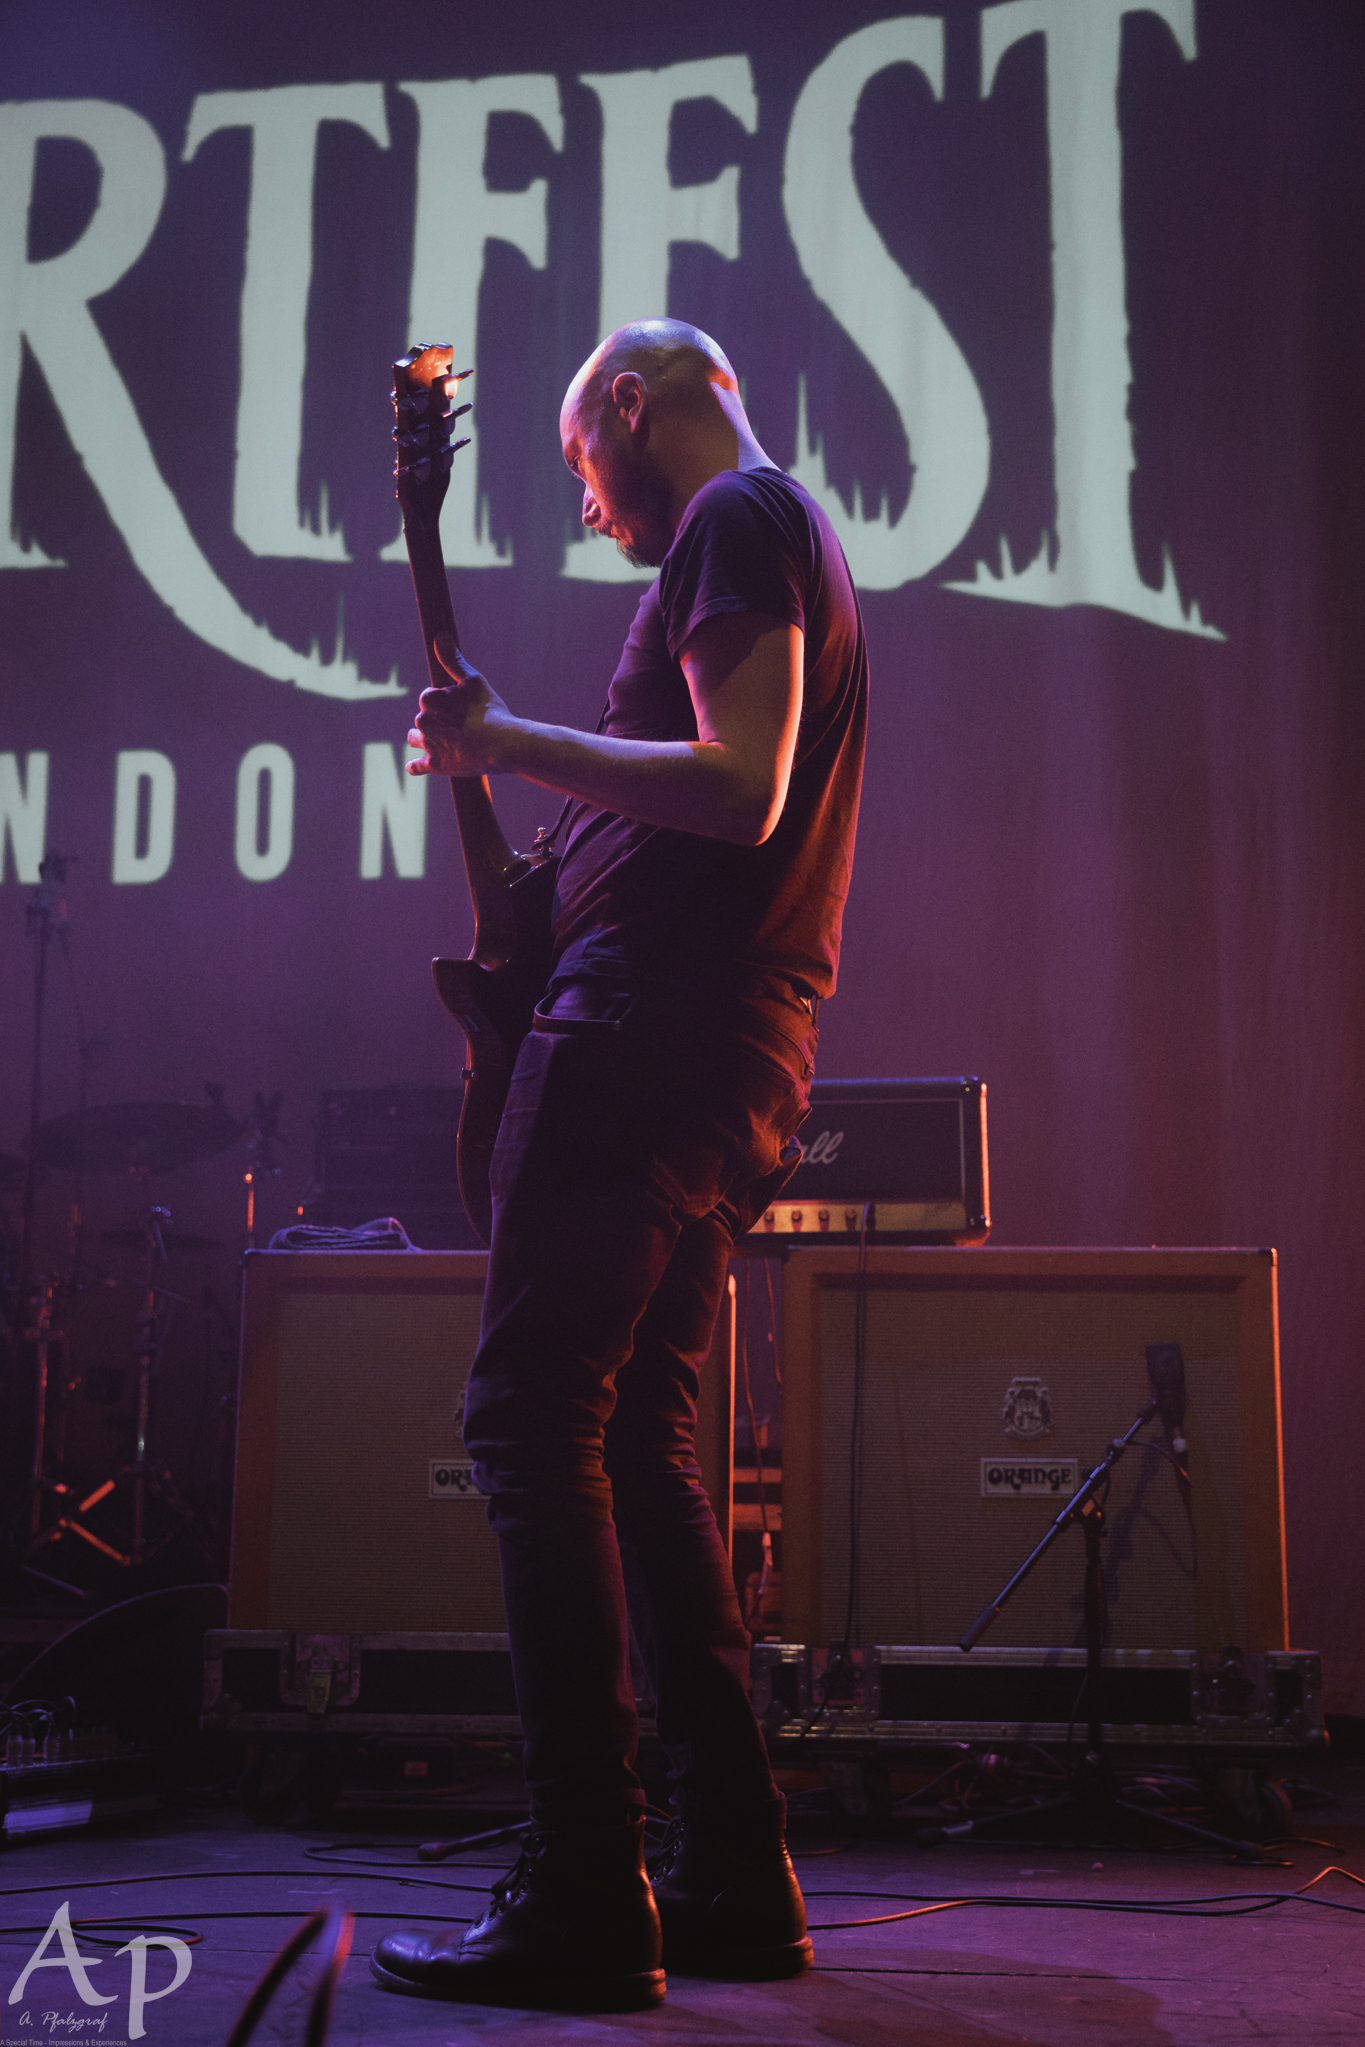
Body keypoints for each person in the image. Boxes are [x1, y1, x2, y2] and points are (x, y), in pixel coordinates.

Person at [371, 319, 868, 2011]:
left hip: (646, 1040)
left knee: (528, 1427)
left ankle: (584, 1885)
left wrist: (508, 744)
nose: (586, 506)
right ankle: (728, 1872)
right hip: (714, 1047)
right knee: (641, 1448)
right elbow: (683, 808)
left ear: (631, 410)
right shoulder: (764, 536)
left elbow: (736, 788)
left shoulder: (735, 515)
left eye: (582, 464)